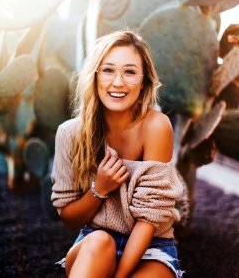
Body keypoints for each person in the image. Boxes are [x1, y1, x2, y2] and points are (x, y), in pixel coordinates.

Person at [51, 30, 184, 278]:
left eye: (130, 72)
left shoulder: (156, 126)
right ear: (95, 76)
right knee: (100, 240)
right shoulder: (69, 133)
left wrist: (119, 276)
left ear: (144, 81)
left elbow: (150, 217)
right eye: (108, 70)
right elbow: (68, 216)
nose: (118, 82)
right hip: (94, 242)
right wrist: (99, 188)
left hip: (151, 248)